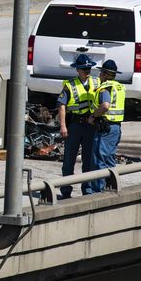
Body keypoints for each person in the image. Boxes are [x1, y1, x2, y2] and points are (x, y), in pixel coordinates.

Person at [56, 54, 100, 198]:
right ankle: (66, 191)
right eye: (83, 69)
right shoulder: (69, 85)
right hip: (74, 125)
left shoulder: (96, 82)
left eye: (88, 68)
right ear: (77, 70)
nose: (87, 71)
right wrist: (63, 126)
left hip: (90, 125)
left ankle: (87, 190)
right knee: (69, 159)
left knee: (88, 160)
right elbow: (62, 106)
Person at [88, 59, 126, 193]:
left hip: (106, 128)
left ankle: (98, 191)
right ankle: (112, 187)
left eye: (100, 73)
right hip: (116, 128)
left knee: (99, 159)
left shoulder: (105, 88)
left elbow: (105, 105)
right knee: (110, 159)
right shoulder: (119, 86)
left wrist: (93, 116)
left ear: (104, 74)